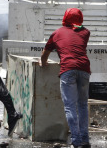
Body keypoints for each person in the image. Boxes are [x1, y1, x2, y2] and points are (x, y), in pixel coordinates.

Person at [40, 8, 91, 148]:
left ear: (65, 18)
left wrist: (43, 64)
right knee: (82, 105)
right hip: (84, 69)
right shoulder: (85, 32)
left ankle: (76, 140)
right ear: (80, 19)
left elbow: (45, 53)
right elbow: (78, 36)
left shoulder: (56, 33)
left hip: (68, 69)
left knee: (70, 106)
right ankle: (85, 139)